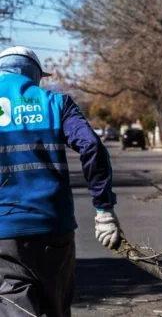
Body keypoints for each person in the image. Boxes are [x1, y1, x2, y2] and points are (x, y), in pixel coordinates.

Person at [0, 46, 120, 317]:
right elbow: (92, 147)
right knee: (56, 308)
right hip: (54, 228)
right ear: (33, 74)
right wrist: (104, 210)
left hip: (3, 234)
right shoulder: (55, 103)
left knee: (15, 306)